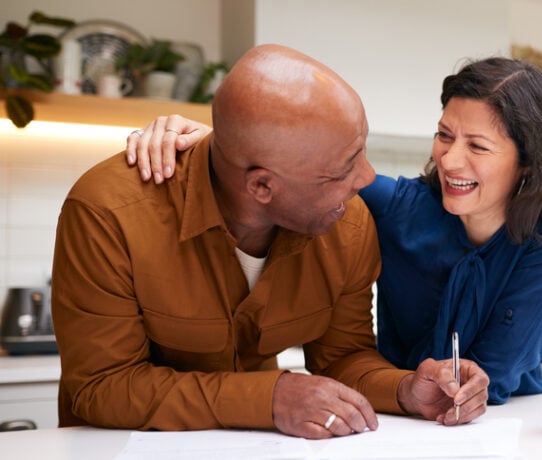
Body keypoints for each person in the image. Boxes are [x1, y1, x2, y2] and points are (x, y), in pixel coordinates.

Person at [51, 44, 489, 440]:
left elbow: (343, 358)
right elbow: (102, 386)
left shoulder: (347, 223)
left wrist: (406, 388)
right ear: (261, 187)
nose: (367, 179)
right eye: (342, 170)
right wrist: (269, 398)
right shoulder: (108, 213)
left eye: (361, 150)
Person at [126, 57, 542, 404]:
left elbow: (492, 377)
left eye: (477, 145)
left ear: (528, 164)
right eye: (444, 135)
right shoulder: (402, 209)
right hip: (397, 406)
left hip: (499, 421)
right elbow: (300, 169)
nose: (450, 159)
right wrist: (214, 141)